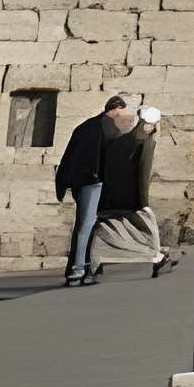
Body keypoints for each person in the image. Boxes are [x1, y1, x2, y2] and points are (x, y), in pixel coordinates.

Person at [53, 95, 130, 286]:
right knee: (87, 226)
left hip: (79, 182)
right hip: (93, 182)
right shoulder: (109, 127)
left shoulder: (84, 126)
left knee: (85, 225)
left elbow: (69, 156)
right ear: (115, 109)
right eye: (121, 112)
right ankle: (78, 270)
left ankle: (85, 266)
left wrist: (63, 183)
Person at [91, 107, 174, 278]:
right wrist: (143, 202)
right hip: (131, 198)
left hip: (110, 196)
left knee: (105, 229)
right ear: (152, 125)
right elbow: (143, 172)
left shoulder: (120, 141)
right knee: (149, 229)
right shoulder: (146, 143)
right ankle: (157, 259)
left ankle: (95, 262)